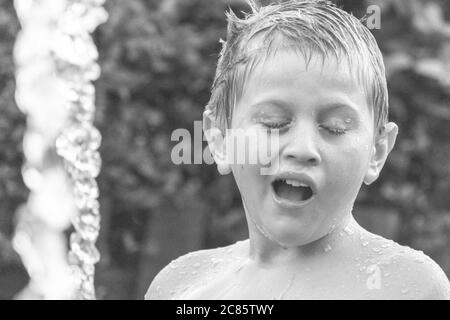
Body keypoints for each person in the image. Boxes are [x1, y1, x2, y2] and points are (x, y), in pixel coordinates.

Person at [146, 0, 450, 299]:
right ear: (221, 138)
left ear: (377, 150)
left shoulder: (405, 286)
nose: (303, 149)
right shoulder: (181, 288)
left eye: (335, 127)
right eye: (274, 122)